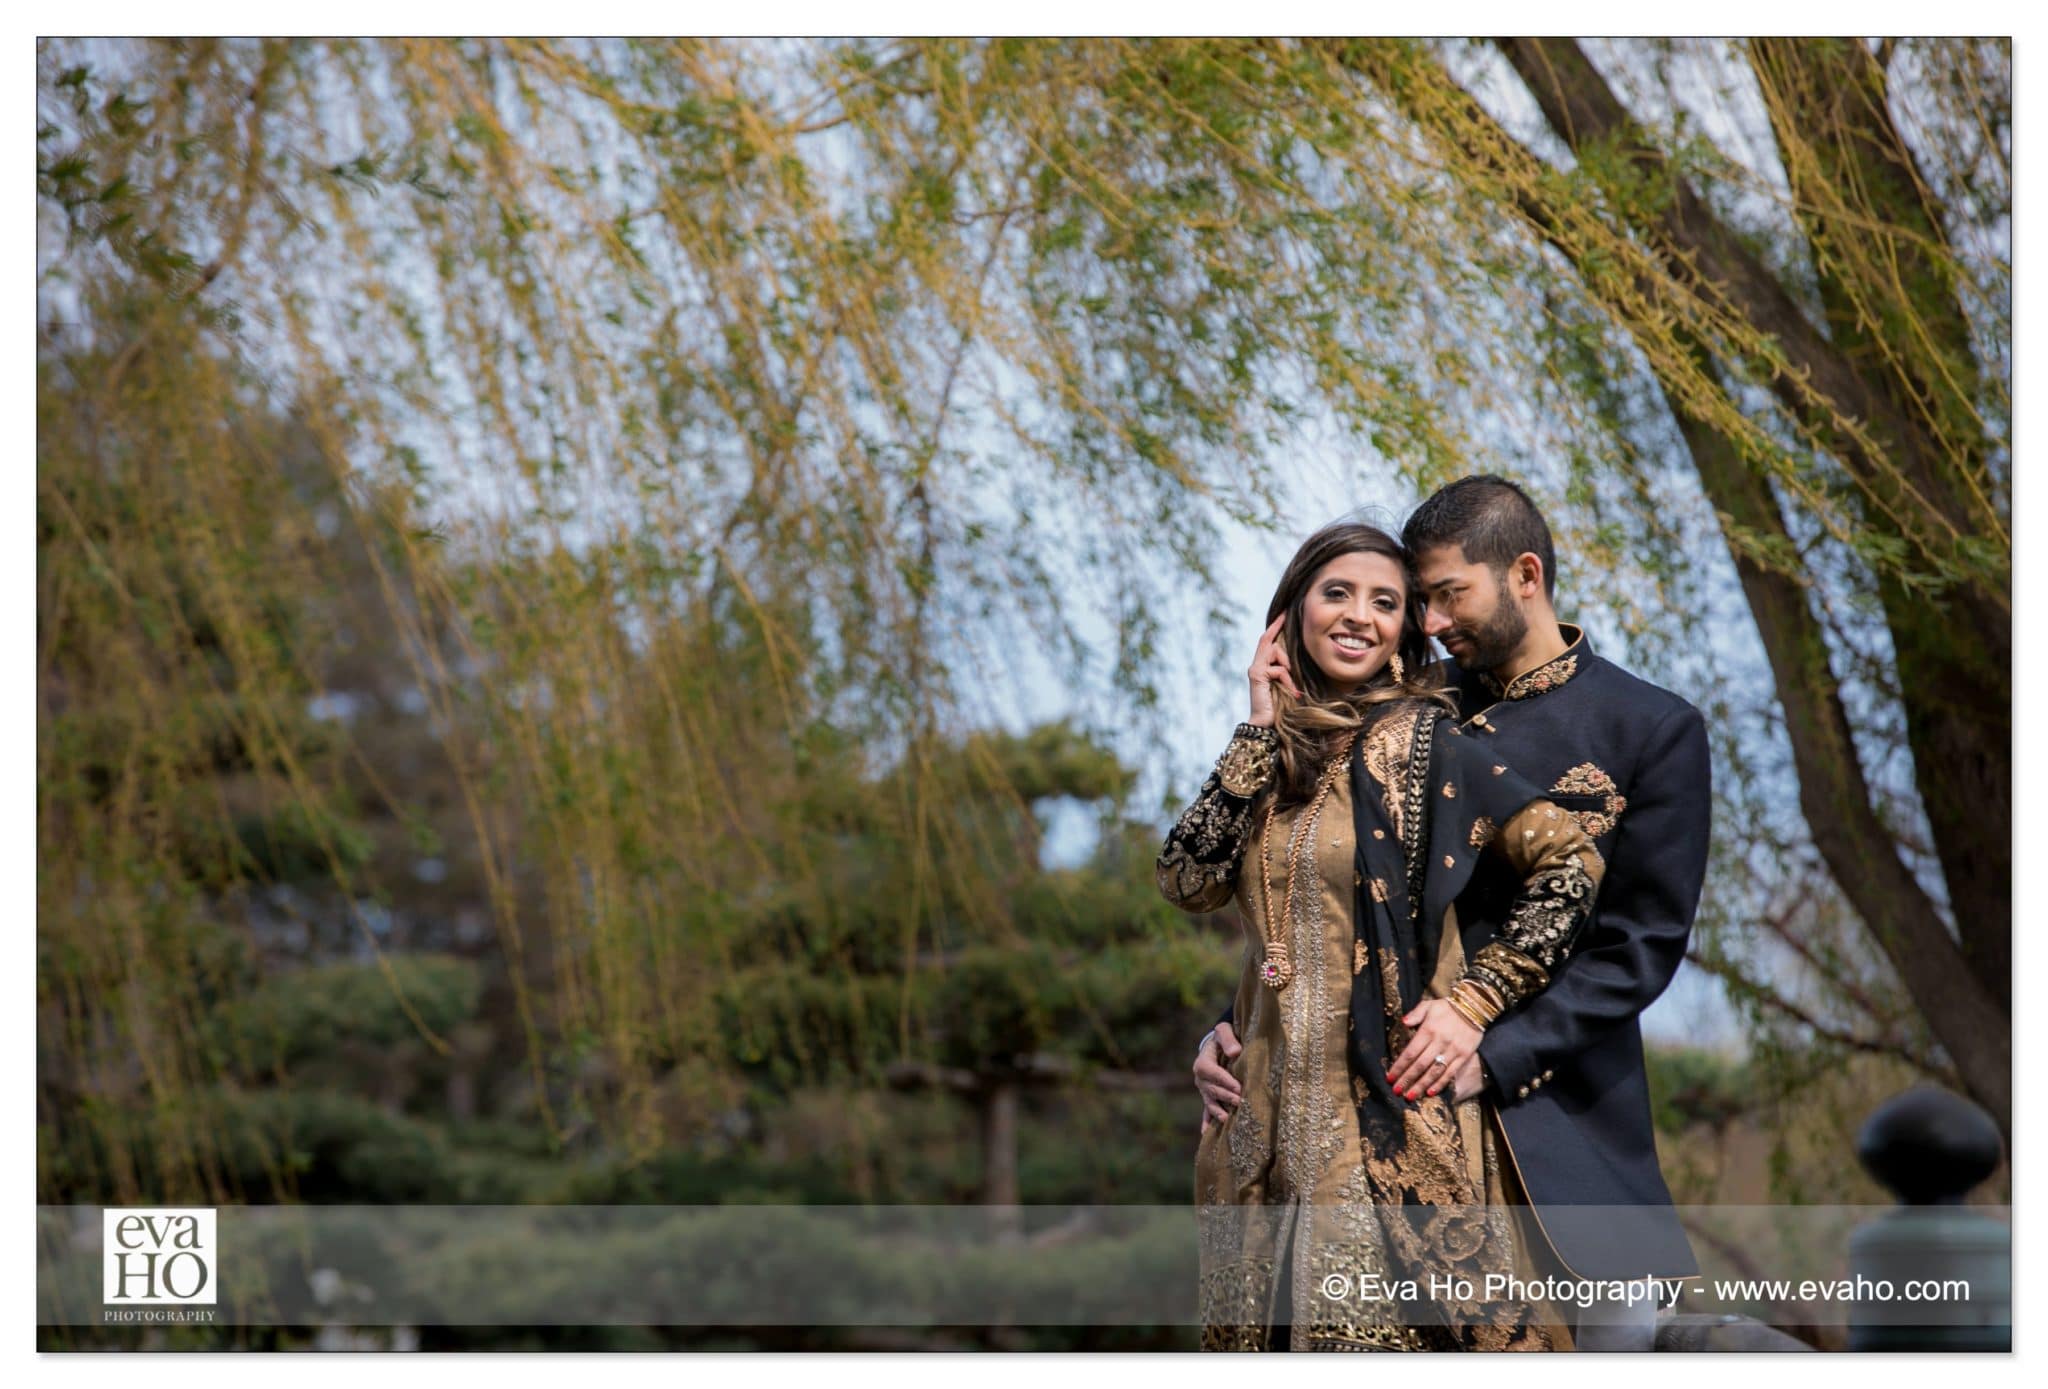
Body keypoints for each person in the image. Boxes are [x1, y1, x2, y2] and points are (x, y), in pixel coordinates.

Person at [1193, 477, 1712, 1352]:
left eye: (1446, 594)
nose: (1427, 621)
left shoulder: (1648, 726)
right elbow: (1313, 888)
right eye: (1419, 599)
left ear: (1525, 574)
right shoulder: (1397, 705)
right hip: (1377, 1141)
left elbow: (1638, 949)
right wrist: (1238, 1025)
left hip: (1565, 1149)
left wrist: (1488, 1042)